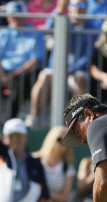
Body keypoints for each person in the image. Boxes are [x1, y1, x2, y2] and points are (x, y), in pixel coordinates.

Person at [27, 0, 96, 128]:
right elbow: (48, 29)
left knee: (79, 80)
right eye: (74, 5)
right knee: (43, 76)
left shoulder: (91, 28)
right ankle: (34, 117)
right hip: (56, 69)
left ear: (87, 8)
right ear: (69, 8)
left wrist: (71, 69)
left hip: (76, 71)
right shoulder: (62, 21)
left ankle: (75, 121)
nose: (77, 9)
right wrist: (58, 10)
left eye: (81, 5)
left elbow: (88, 55)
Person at [0, 1, 45, 120]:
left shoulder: (36, 33)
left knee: (19, 82)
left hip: (24, 73)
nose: (15, 19)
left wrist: (13, 75)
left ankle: (10, 120)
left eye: (19, 16)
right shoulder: (1, 34)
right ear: (8, 17)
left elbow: (35, 62)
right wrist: (2, 74)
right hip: (3, 72)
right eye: (12, 15)